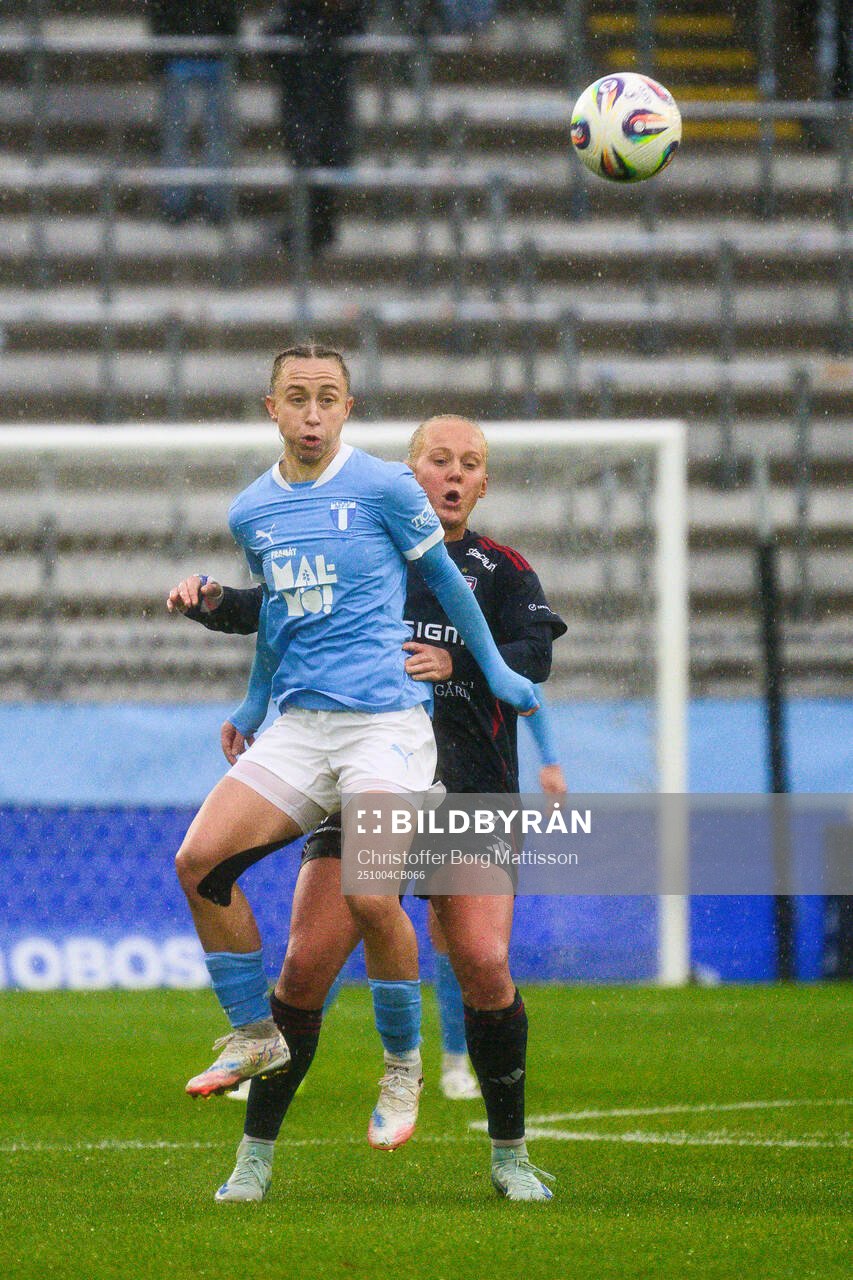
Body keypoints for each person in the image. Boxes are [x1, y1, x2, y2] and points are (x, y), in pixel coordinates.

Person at [170, 412, 566, 1202]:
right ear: (406, 473)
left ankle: (510, 1156)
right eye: (438, 461)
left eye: (470, 464)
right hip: (362, 776)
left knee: (484, 964)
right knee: (305, 969)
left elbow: (534, 656)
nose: (453, 476)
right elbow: (275, 602)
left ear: (484, 483)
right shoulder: (366, 545)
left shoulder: (503, 569)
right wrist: (214, 600)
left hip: (470, 791)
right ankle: (254, 1158)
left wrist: (454, 656)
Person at [264, 0, 365, 253]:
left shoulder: (348, 17)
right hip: (303, 98)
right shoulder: (295, 12)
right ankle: (308, 225)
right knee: (305, 159)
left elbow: (356, 46)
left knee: (327, 161)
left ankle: (320, 227)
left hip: (329, 101)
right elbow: (272, 47)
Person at [147, 0, 239, 224]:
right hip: (180, 59)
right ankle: (177, 204)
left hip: (212, 58)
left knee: (216, 138)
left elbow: (231, 16)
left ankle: (213, 204)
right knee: (177, 139)